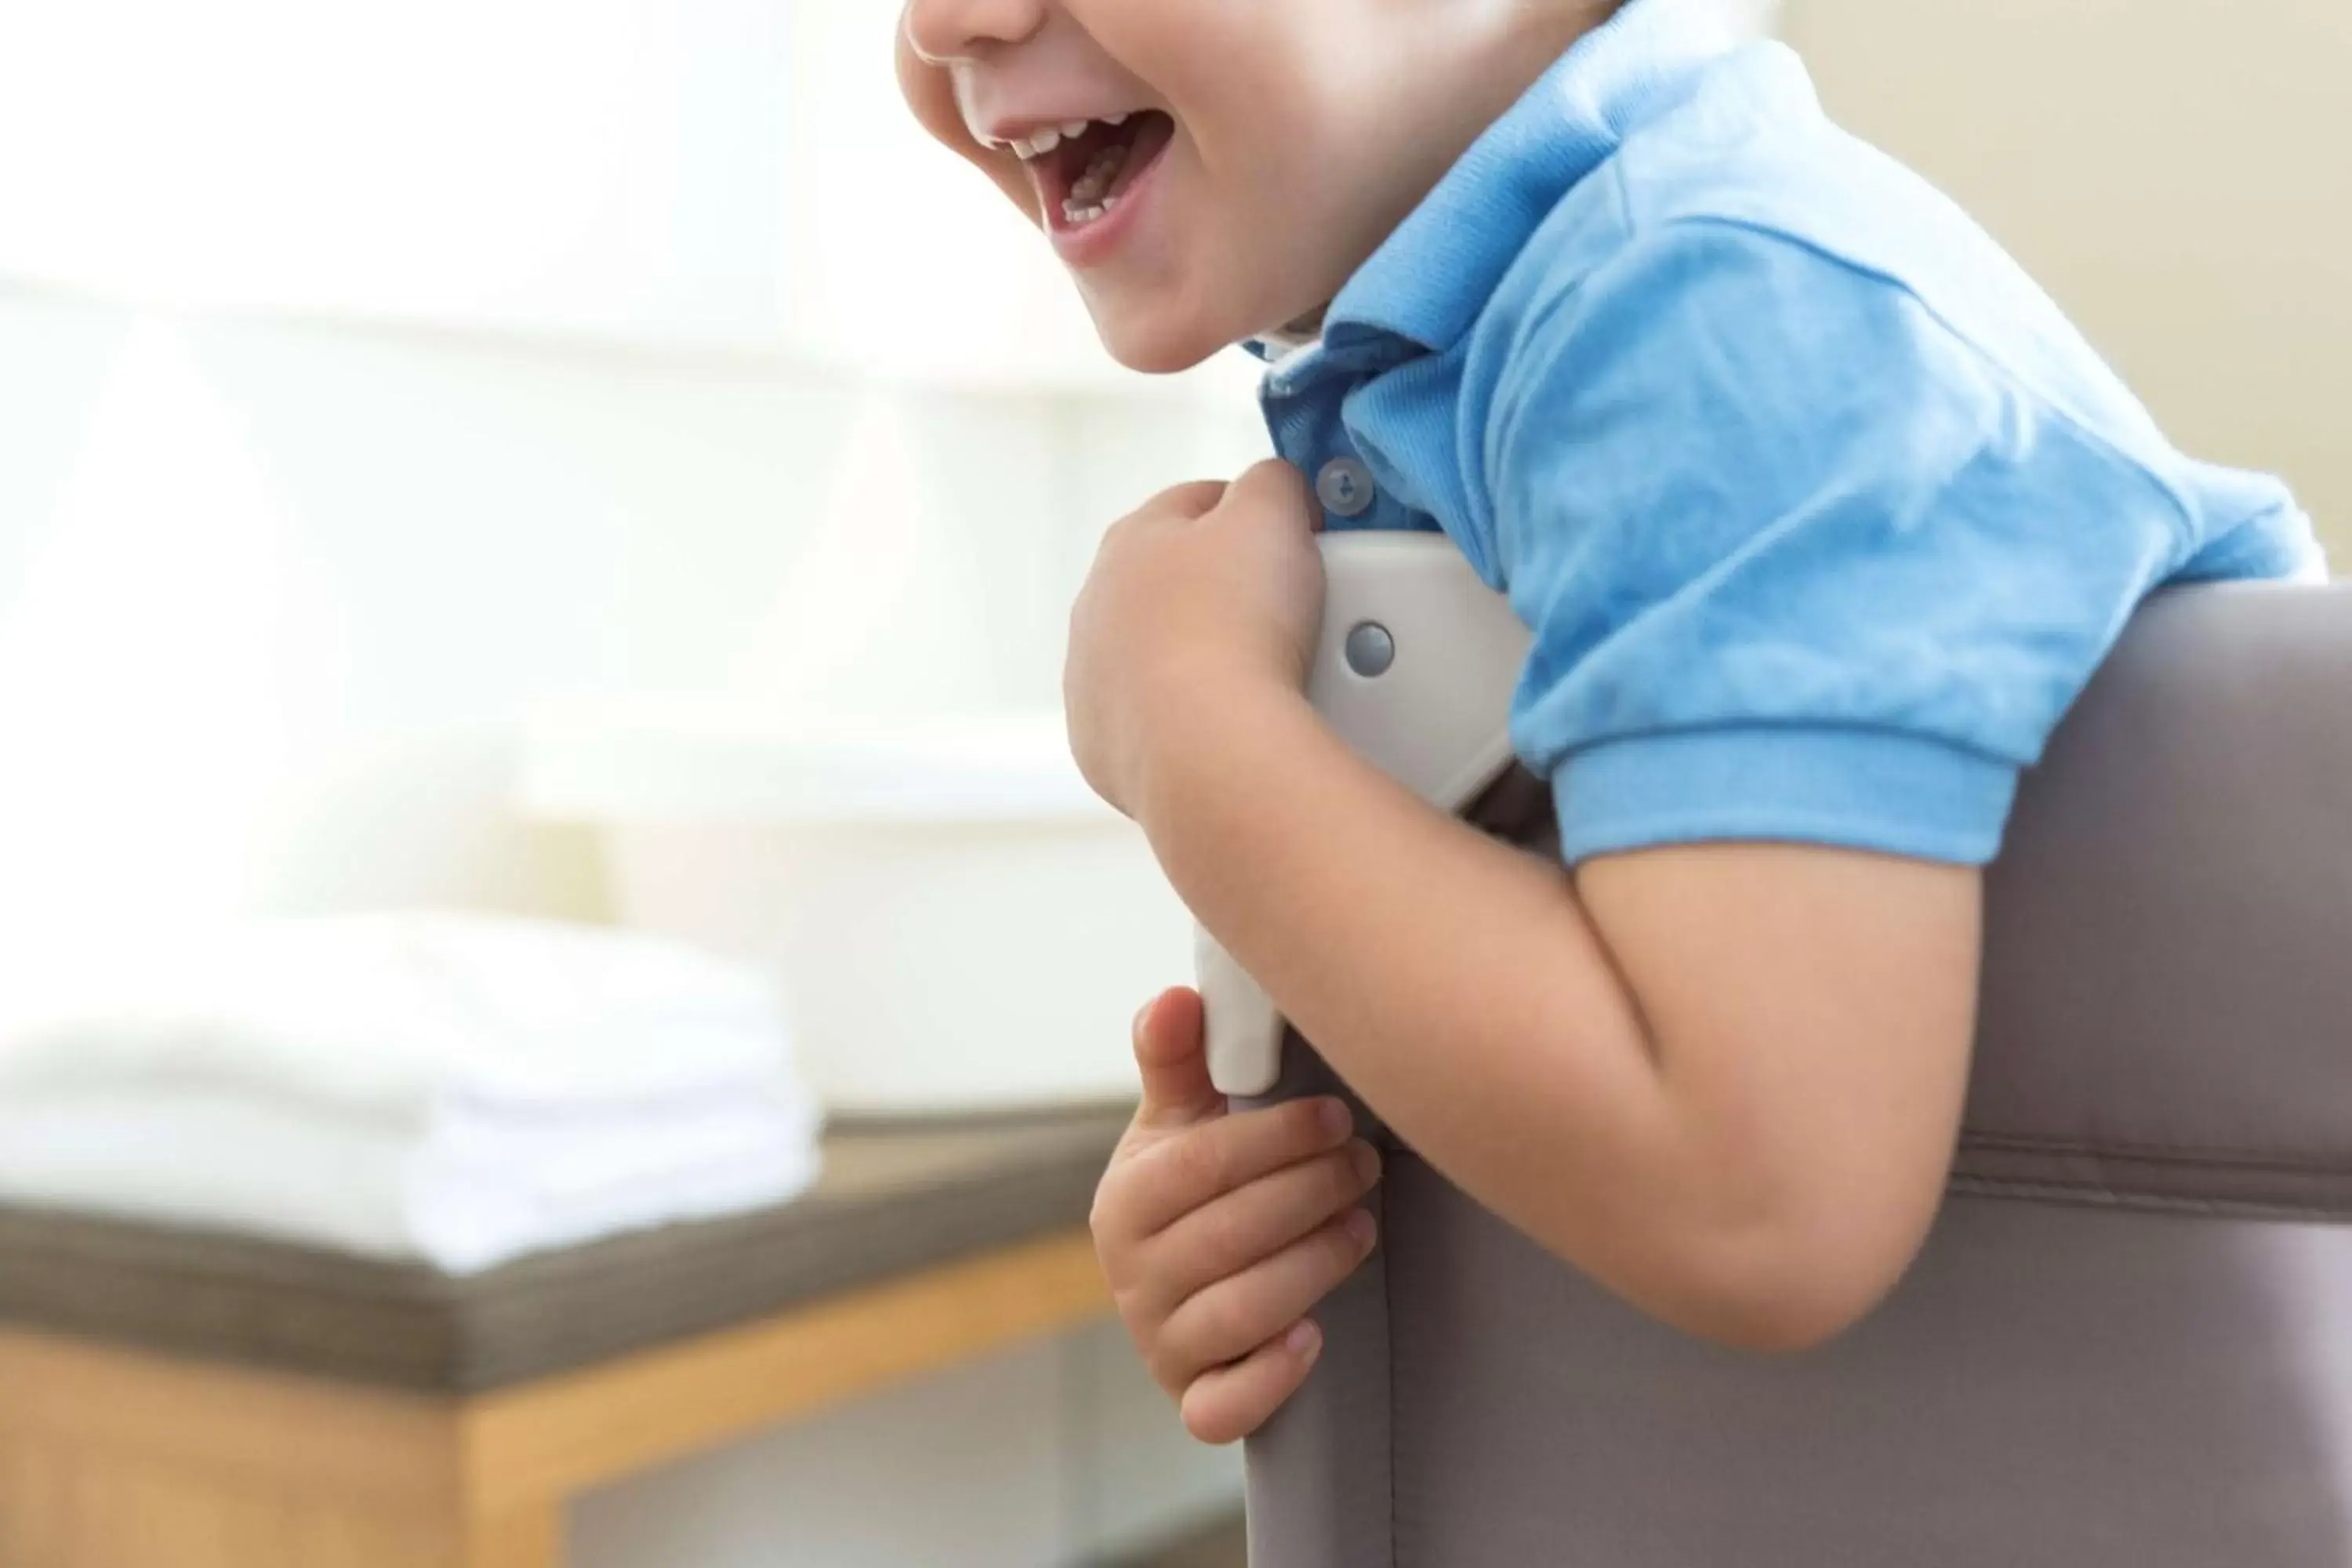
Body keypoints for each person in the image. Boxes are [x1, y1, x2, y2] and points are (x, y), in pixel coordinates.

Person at [896, 0, 2327, 1444]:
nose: (950, 18)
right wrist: (1300, 1185)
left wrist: (1196, 742)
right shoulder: (1469, 378)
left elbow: (1756, 1199)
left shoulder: (1717, 315)